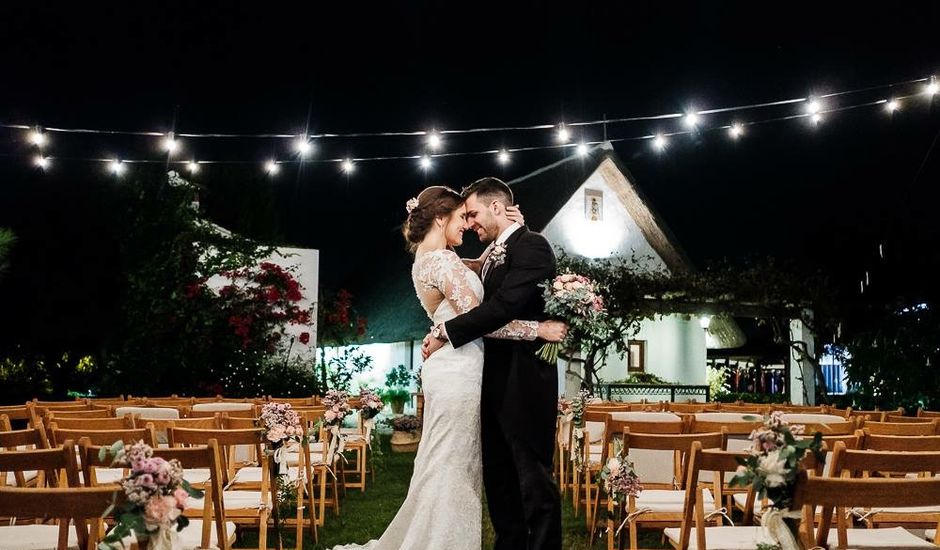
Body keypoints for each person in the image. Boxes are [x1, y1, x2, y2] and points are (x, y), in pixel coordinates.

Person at [332, 184, 565, 550]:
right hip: (460, 372)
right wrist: (540, 329)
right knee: (454, 465)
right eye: (462, 216)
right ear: (441, 218)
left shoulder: (436, 259)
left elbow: (485, 273)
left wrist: (508, 233)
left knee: (451, 461)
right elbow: (484, 317)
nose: (468, 225)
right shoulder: (442, 261)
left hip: (463, 370)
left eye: (472, 215)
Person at [424, 177, 563, 550]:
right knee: (500, 483)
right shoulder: (492, 255)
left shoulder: (532, 246)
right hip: (486, 381)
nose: (468, 224)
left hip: (523, 382)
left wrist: (445, 332)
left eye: (472, 214)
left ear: (497, 208)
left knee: (532, 481)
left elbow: (502, 308)